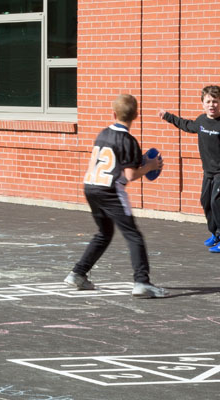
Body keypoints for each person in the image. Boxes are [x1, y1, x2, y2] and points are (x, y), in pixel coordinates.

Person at [65, 94, 166, 298]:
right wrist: (150, 166)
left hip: (91, 187)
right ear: (136, 115)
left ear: (113, 113)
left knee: (104, 233)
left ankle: (77, 273)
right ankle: (142, 282)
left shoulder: (102, 133)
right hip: (110, 191)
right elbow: (130, 175)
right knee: (133, 235)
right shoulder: (128, 141)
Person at [158, 85, 220, 253]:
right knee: (206, 201)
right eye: (208, 101)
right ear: (202, 103)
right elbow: (187, 125)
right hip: (209, 171)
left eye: (215, 101)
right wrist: (168, 117)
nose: (212, 105)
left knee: (218, 203)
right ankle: (216, 233)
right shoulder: (201, 121)